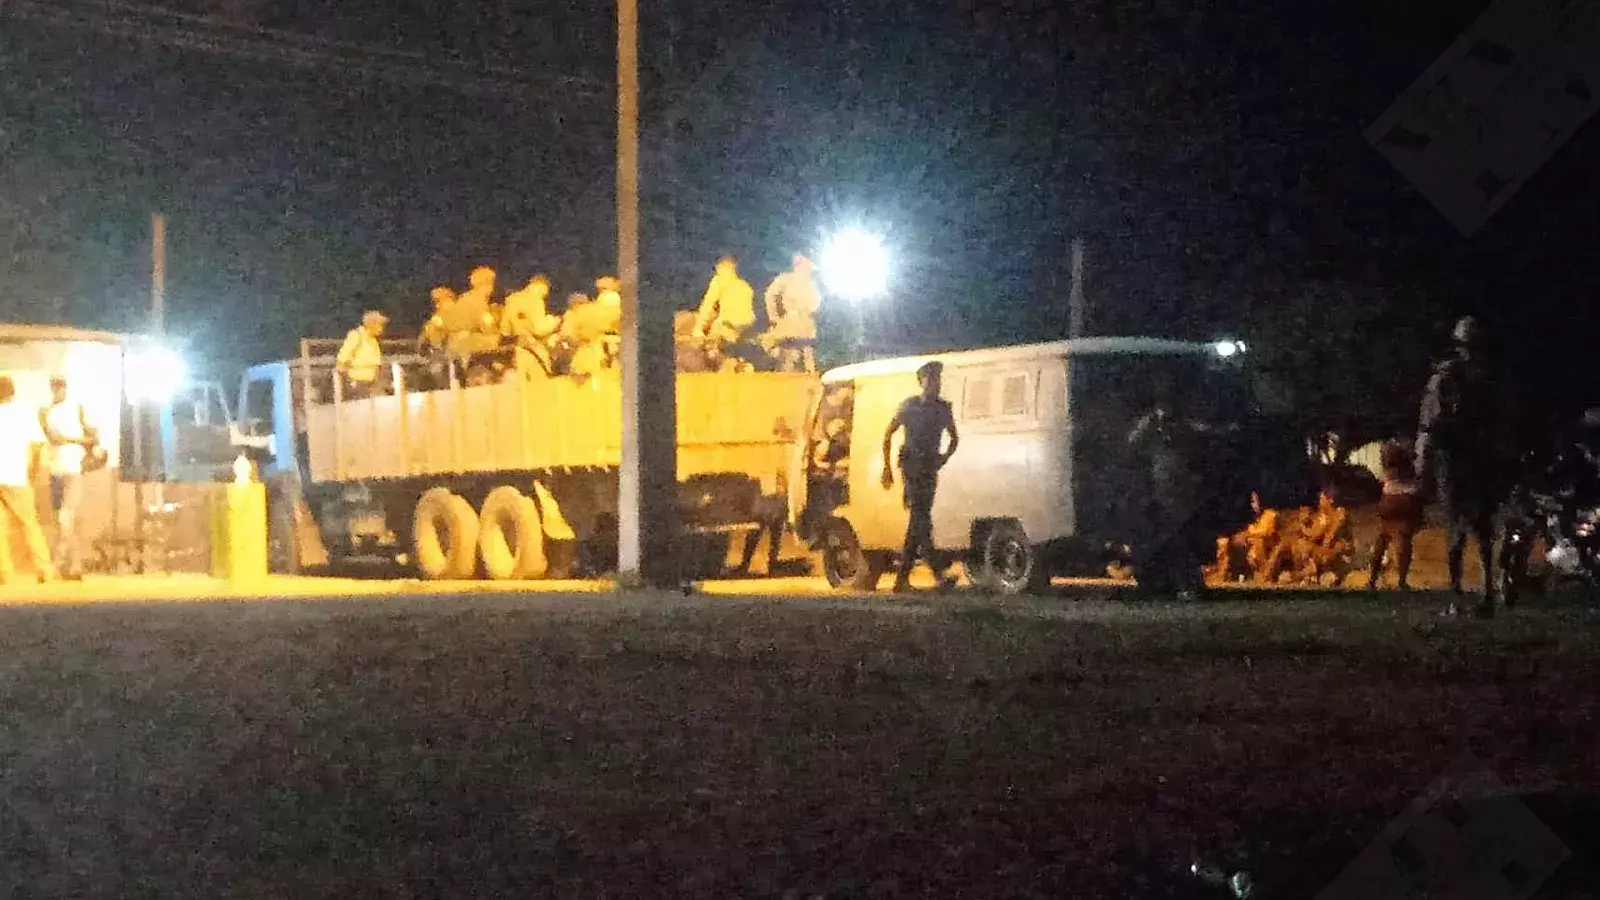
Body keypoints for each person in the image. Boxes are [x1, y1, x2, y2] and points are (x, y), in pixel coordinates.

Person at [1416, 315, 1509, 616]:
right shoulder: (1482, 378)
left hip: (1460, 460)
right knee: (1477, 530)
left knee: (1462, 529)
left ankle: (1467, 597)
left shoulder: (1449, 378)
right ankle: (1482, 596)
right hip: (1472, 460)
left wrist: (1424, 461)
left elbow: (1430, 425)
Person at [881, 361, 959, 592]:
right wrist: (887, 468)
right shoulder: (909, 406)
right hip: (912, 468)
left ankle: (902, 580)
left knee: (919, 521)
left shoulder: (943, 408)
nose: (936, 383)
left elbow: (954, 438)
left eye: (938, 379)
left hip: (928, 468)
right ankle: (935, 572)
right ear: (921, 381)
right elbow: (888, 434)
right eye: (931, 379)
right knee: (920, 517)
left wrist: (943, 458)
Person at [39, 376, 98, 580]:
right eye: (54, 387)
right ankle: (75, 566)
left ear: (65, 388)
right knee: (62, 522)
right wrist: (73, 440)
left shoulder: (76, 408)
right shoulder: (45, 412)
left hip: (73, 469)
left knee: (66, 519)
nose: (58, 390)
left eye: (61, 387)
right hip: (55, 470)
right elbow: (49, 438)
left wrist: (74, 441)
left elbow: (92, 438)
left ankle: (56, 566)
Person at [0, 376, 56, 585]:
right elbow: (36, 445)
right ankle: (44, 570)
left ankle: (4, 573)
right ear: (12, 392)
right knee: (29, 524)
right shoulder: (23, 412)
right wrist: (32, 472)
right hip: (16, 476)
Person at [1367, 440, 1424, 591]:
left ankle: (1372, 580)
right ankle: (1401, 581)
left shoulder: (1388, 452)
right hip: (1406, 498)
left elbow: (1384, 474)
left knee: (1382, 539)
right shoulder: (1407, 455)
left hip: (1389, 497)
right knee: (1403, 542)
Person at [763, 254, 822, 372]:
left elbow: (816, 304)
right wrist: (773, 316)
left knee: (807, 357)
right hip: (791, 323)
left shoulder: (811, 284)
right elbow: (770, 295)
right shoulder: (786, 278)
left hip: (806, 323)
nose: (809, 268)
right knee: (788, 356)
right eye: (807, 264)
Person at [695, 255, 756, 360]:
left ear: (722, 268)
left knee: (709, 352)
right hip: (747, 327)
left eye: (718, 270)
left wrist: (698, 329)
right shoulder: (745, 285)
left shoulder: (719, 281)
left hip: (727, 325)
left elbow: (708, 304)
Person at [335, 309, 388, 399]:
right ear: (372, 324)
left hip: (371, 384)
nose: (382, 329)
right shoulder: (357, 335)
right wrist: (349, 380)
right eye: (380, 325)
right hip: (358, 384)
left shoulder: (373, 340)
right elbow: (341, 360)